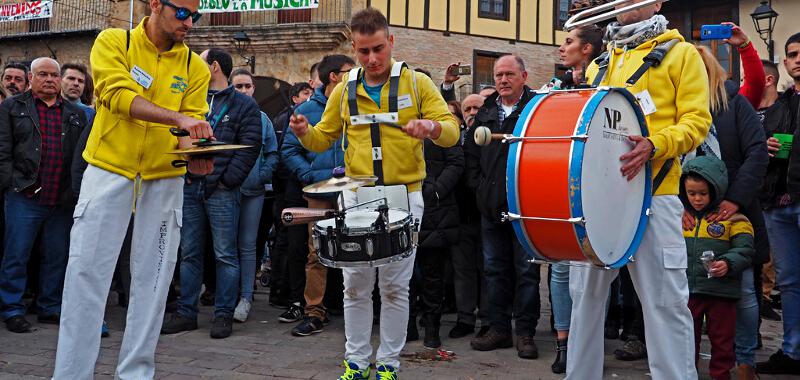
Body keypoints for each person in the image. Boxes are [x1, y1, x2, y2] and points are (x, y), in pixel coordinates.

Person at [288, 8, 459, 379]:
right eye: (364, 51)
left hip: (404, 195)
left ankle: (388, 365)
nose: (372, 59)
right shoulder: (345, 87)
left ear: (391, 42)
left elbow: (452, 130)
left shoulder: (416, 83)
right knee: (355, 286)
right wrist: (304, 132)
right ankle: (356, 362)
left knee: (396, 288)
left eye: (378, 49)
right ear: (354, 47)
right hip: (357, 197)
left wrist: (430, 127)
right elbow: (324, 137)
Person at [53, 0, 215, 376]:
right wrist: (178, 119)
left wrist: (199, 156)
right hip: (109, 169)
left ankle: (136, 373)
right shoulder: (114, 41)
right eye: (182, 13)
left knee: (155, 282)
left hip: (163, 178)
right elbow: (117, 95)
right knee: (86, 276)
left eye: (196, 15)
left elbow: (193, 123)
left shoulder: (194, 66)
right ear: (156, 4)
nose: (189, 22)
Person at [566, 1, 712, 379]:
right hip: (597, 199)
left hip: (656, 192)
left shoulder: (681, 54)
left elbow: (697, 122)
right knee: (584, 301)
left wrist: (656, 143)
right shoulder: (600, 62)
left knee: (666, 304)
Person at [161, 48, 262, 339]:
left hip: (221, 192)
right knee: (189, 253)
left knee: (225, 255)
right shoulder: (191, 100)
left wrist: (226, 182)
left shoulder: (244, 105)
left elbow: (250, 145)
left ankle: (223, 315)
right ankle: (186, 313)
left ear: (213, 66)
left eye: (200, 63)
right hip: (190, 187)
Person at [688, 45, 769, 380]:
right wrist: (677, 207)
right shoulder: (677, 109)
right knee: (689, 298)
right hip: (689, 218)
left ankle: (745, 361)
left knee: (745, 291)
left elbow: (757, 151)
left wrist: (734, 200)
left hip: (735, 214)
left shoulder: (733, 104)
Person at [0, 57, 88, 333]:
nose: (50, 79)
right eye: (43, 75)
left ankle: (49, 306)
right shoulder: (12, 107)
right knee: (17, 254)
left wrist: (73, 191)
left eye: (54, 75)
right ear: (31, 77)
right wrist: (13, 182)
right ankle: (12, 308)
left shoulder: (76, 113)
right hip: (24, 195)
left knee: (57, 255)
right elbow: (3, 151)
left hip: (61, 198)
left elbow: (79, 157)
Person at [464, 55, 542, 360]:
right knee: (494, 271)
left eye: (509, 74)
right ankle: (498, 329)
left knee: (527, 272)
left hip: (526, 205)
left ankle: (525, 333)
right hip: (491, 206)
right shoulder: (485, 112)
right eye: (498, 75)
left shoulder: (536, 109)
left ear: (523, 75)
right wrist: (479, 188)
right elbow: (471, 154)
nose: (503, 80)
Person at [546, 23, 605, 374]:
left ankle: (591, 345)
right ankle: (565, 345)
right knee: (561, 271)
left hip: (597, 189)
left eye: (568, 42)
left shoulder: (603, 80)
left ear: (586, 49)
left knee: (594, 277)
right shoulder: (561, 86)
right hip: (563, 188)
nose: (561, 48)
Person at [282, 54, 354, 336]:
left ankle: (356, 310)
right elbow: (289, 149)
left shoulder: (357, 104)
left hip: (354, 189)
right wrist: (310, 176)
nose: (355, 74)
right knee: (317, 251)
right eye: (350, 71)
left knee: (356, 248)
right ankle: (314, 312)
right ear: (334, 76)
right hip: (319, 190)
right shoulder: (308, 108)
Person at [680, 156, 755, 380]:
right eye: (691, 193)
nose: (697, 199)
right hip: (689, 291)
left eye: (703, 193)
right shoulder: (680, 218)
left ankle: (721, 375)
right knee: (686, 338)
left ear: (717, 189)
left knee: (722, 340)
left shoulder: (735, 219)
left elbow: (745, 250)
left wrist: (728, 263)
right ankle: (686, 373)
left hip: (722, 293)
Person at [755, 32, 800, 376]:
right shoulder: (778, 107)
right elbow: (761, 154)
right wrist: (767, 150)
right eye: (792, 54)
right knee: (788, 282)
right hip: (778, 202)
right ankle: (792, 351)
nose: (797, 59)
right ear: (785, 63)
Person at [229, 68, 279, 323]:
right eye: (238, 86)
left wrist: (262, 175)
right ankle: (226, 297)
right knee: (225, 246)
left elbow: (272, 152)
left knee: (248, 246)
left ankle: (246, 297)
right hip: (226, 191)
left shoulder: (262, 119)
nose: (244, 90)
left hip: (253, 191)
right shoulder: (224, 114)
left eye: (247, 86)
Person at [414, 101, 464, 349]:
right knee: (404, 275)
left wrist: (435, 191)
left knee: (433, 273)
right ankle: (409, 326)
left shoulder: (441, 125)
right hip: (402, 205)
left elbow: (456, 162)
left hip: (435, 210)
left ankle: (432, 327)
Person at [449, 93, 490, 340]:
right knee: (462, 269)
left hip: (486, 212)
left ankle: (487, 318)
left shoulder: (491, 137)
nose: (472, 112)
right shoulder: (456, 138)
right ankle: (465, 317)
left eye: (477, 107)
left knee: (487, 269)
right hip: (461, 213)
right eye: (468, 108)